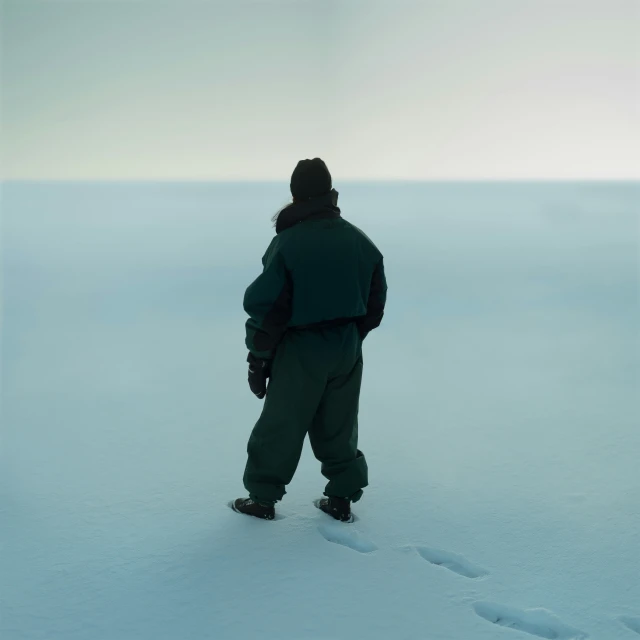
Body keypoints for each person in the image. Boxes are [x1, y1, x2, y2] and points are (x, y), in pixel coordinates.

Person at [232, 158, 387, 522]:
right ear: (330, 192)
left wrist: (259, 359)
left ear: (295, 194)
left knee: (281, 424)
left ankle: (262, 499)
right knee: (339, 423)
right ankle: (341, 498)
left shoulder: (288, 244)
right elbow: (376, 301)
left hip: (301, 348)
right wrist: (350, 335)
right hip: (347, 346)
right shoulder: (359, 240)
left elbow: (266, 309)